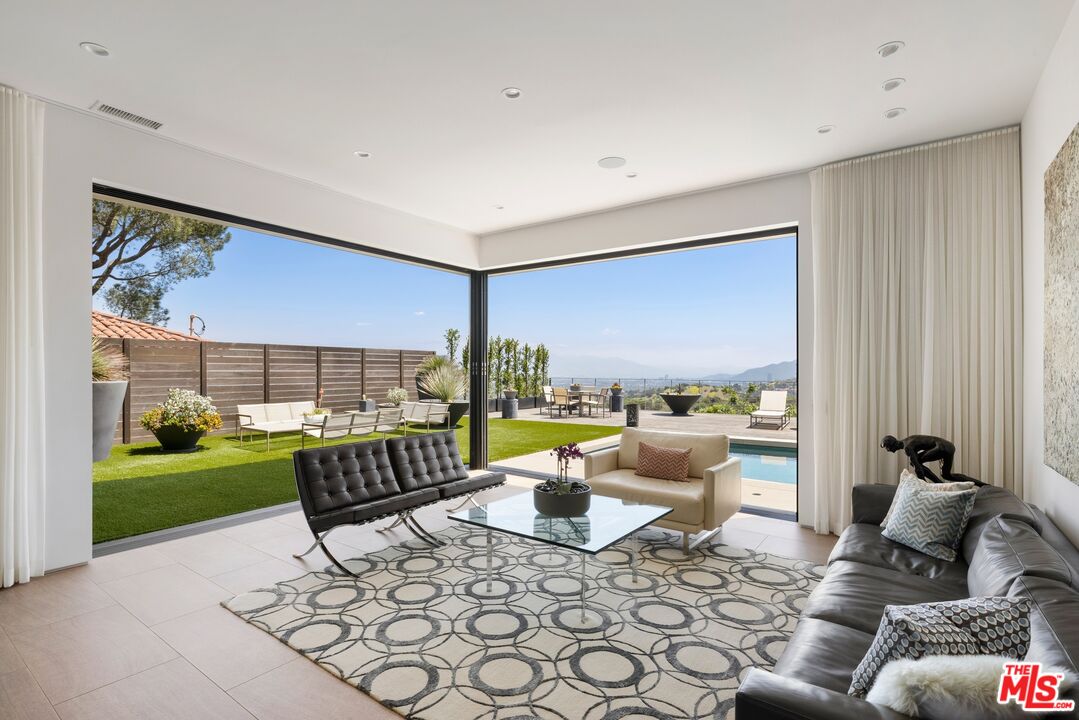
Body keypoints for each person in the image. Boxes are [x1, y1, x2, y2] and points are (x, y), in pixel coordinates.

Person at [880, 434, 983, 485]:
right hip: (949, 446)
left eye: (887, 448)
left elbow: (918, 469)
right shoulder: (907, 440)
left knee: (914, 462)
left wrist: (924, 486)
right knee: (946, 475)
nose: (888, 451)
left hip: (942, 447)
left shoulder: (907, 447)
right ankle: (982, 485)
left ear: (892, 444)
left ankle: (939, 485)